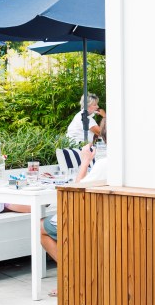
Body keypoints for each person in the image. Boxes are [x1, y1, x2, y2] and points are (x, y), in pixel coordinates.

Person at [43, 118, 108, 294]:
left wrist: (85, 160)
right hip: (111, 217)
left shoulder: (105, 163)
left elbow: (77, 190)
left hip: (90, 219)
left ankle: (71, 276)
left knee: (39, 226)